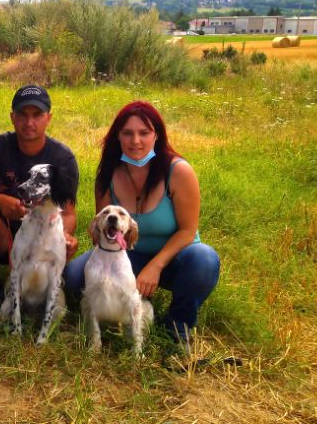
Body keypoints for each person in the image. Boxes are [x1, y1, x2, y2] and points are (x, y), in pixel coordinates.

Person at [64, 100, 220, 345]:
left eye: (144, 133)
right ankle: (113, 315)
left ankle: (177, 329)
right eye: (127, 133)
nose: (135, 140)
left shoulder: (178, 171)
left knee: (204, 260)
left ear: (157, 135)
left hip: (174, 258)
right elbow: (106, 229)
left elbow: (188, 231)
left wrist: (155, 267)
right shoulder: (108, 174)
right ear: (118, 137)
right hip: (126, 255)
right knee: (74, 277)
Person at [0, 84, 80, 310]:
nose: (29, 122)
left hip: (43, 238)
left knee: (56, 242)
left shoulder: (63, 158)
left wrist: (64, 234)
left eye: (37, 115)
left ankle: (46, 296)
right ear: (12, 117)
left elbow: (69, 212)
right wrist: (1, 201)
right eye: (22, 115)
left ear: (49, 118)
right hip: (4, 235)